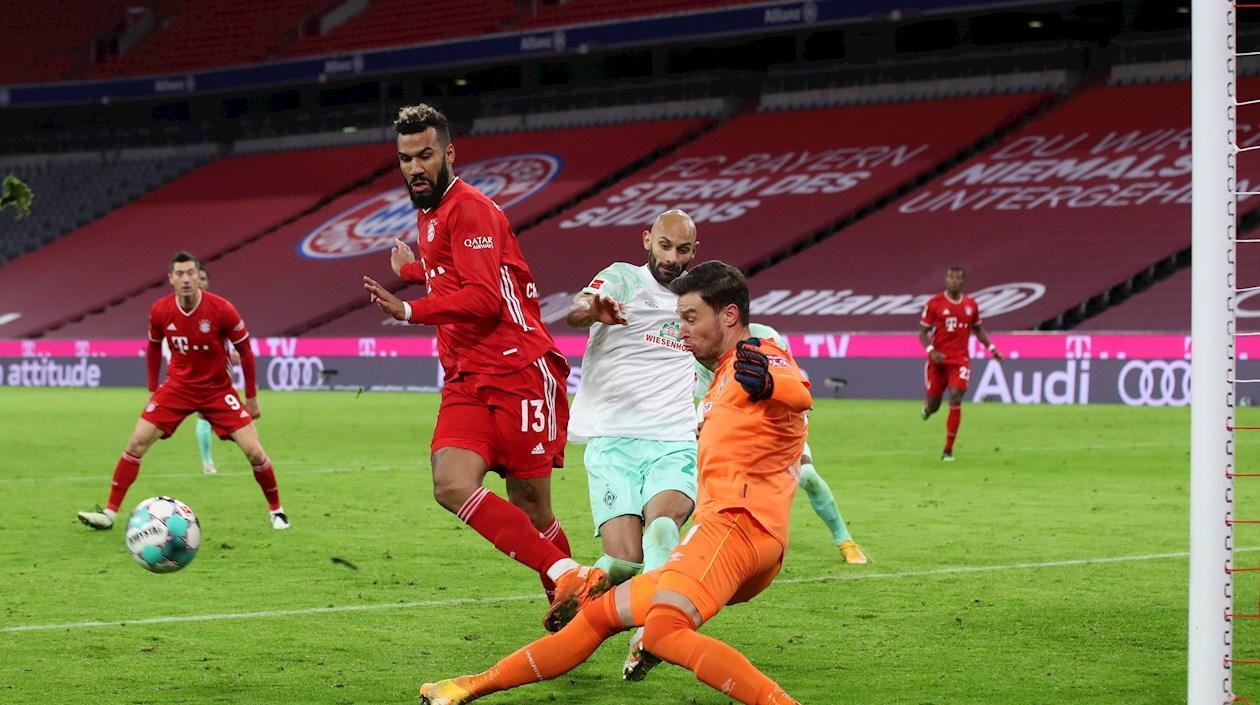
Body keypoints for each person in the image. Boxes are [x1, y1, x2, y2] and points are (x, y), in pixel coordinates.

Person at [419, 261, 808, 705]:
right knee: (600, 615)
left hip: (736, 529)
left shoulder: (754, 357)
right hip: (738, 536)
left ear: (730, 317)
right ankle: (469, 687)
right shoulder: (718, 372)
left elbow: (796, 390)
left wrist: (768, 382)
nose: (680, 329)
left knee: (662, 633)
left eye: (691, 318)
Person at [361, 104, 600, 624]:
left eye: (425, 155)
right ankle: (567, 575)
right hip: (467, 376)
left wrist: (408, 309)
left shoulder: (469, 208)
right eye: (405, 158)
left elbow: (486, 298)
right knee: (450, 483)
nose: (415, 168)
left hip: (518, 369)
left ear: (448, 153)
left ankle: (568, 598)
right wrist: (414, 270)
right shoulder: (430, 213)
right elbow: (452, 270)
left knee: (532, 505)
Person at [564, 209, 700, 677]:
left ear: (693, 252)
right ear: (648, 240)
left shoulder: (698, 299)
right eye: (665, 246)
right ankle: (584, 585)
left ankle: (651, 634)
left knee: (662, 527)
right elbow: (576, 309)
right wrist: (592, 310)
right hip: (613, 441)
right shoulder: (622, 278)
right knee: (625, 560)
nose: (672, 257)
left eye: (682, 250)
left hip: (674, 440)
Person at [77, 252, 289, 530]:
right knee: (136, 442)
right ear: (171, 279)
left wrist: (251, 397)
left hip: (217, 390)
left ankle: (277, 511)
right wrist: (153, 388)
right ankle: (109, 514)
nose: (186, 279)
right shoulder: (161, 310)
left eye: (191, 273)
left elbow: (245, 351)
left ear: (199, 278)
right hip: (178, 387)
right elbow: (153, 346)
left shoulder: (222, 309)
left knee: (254, 452)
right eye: (180, 274)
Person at [695, 321, 867, 566]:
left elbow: (791, 383)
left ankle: (845, 541)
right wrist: (704, 422)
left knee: (807, 475)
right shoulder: (703, 345)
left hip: (776, 421)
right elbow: (708, 394)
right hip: (733, 426)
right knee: (716, 483)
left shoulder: (767, 337)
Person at [919, 266, 1003, 461]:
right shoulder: (934, 304)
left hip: (960, 360)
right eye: (951, 277)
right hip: (938, 360)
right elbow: (922, 332)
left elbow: (978, 329)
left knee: (956, 396)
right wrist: (932, 351)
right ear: (946, 280)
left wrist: (992, 349)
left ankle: (948, 450)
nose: (954, 281)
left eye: (957, 278)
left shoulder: (971, 305)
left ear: (962, 281)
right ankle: (927, 409)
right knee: (934, 405)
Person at [192, 265, 241, 475]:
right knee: (204, 416)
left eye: (203, 278)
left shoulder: (219, 309)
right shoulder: (182, 311)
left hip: (221, 375)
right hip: (196, 375)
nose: (200, 282)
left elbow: (230, 339)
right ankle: (207, 462)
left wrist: (232, 353)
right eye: (197, 277)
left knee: (230, 420)